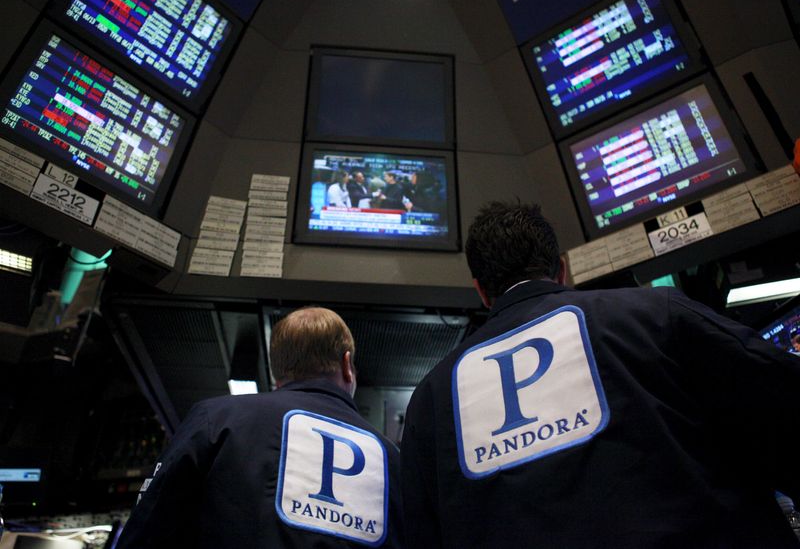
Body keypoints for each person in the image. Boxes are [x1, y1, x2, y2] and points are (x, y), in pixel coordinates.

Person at [401, 201, 800, 549]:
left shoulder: (431, 398)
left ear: (481, 292)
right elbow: (782, 405)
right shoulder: (655, 313)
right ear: (561, 268)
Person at [117, 307, 404, 548]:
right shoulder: (393, 458)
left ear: (277, 371)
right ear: (347, 365)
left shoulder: (216, 417)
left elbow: (150, 523)